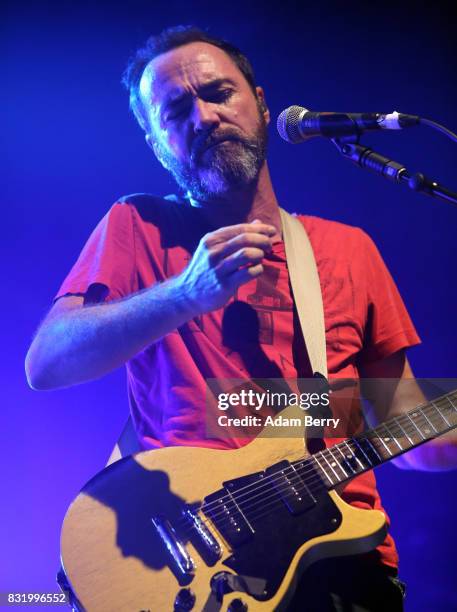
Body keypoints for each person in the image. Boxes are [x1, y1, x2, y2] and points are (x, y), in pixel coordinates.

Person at [25, 25, 457, 611]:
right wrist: (184, 294)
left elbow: (406, 427)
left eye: (218, 93)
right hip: (196, 566)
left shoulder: (349, 250)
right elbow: (47, 364)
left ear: (260, 103)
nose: (203, 118)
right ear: (157, 144)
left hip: (343, 564)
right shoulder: (138, 226)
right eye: (177, 110)